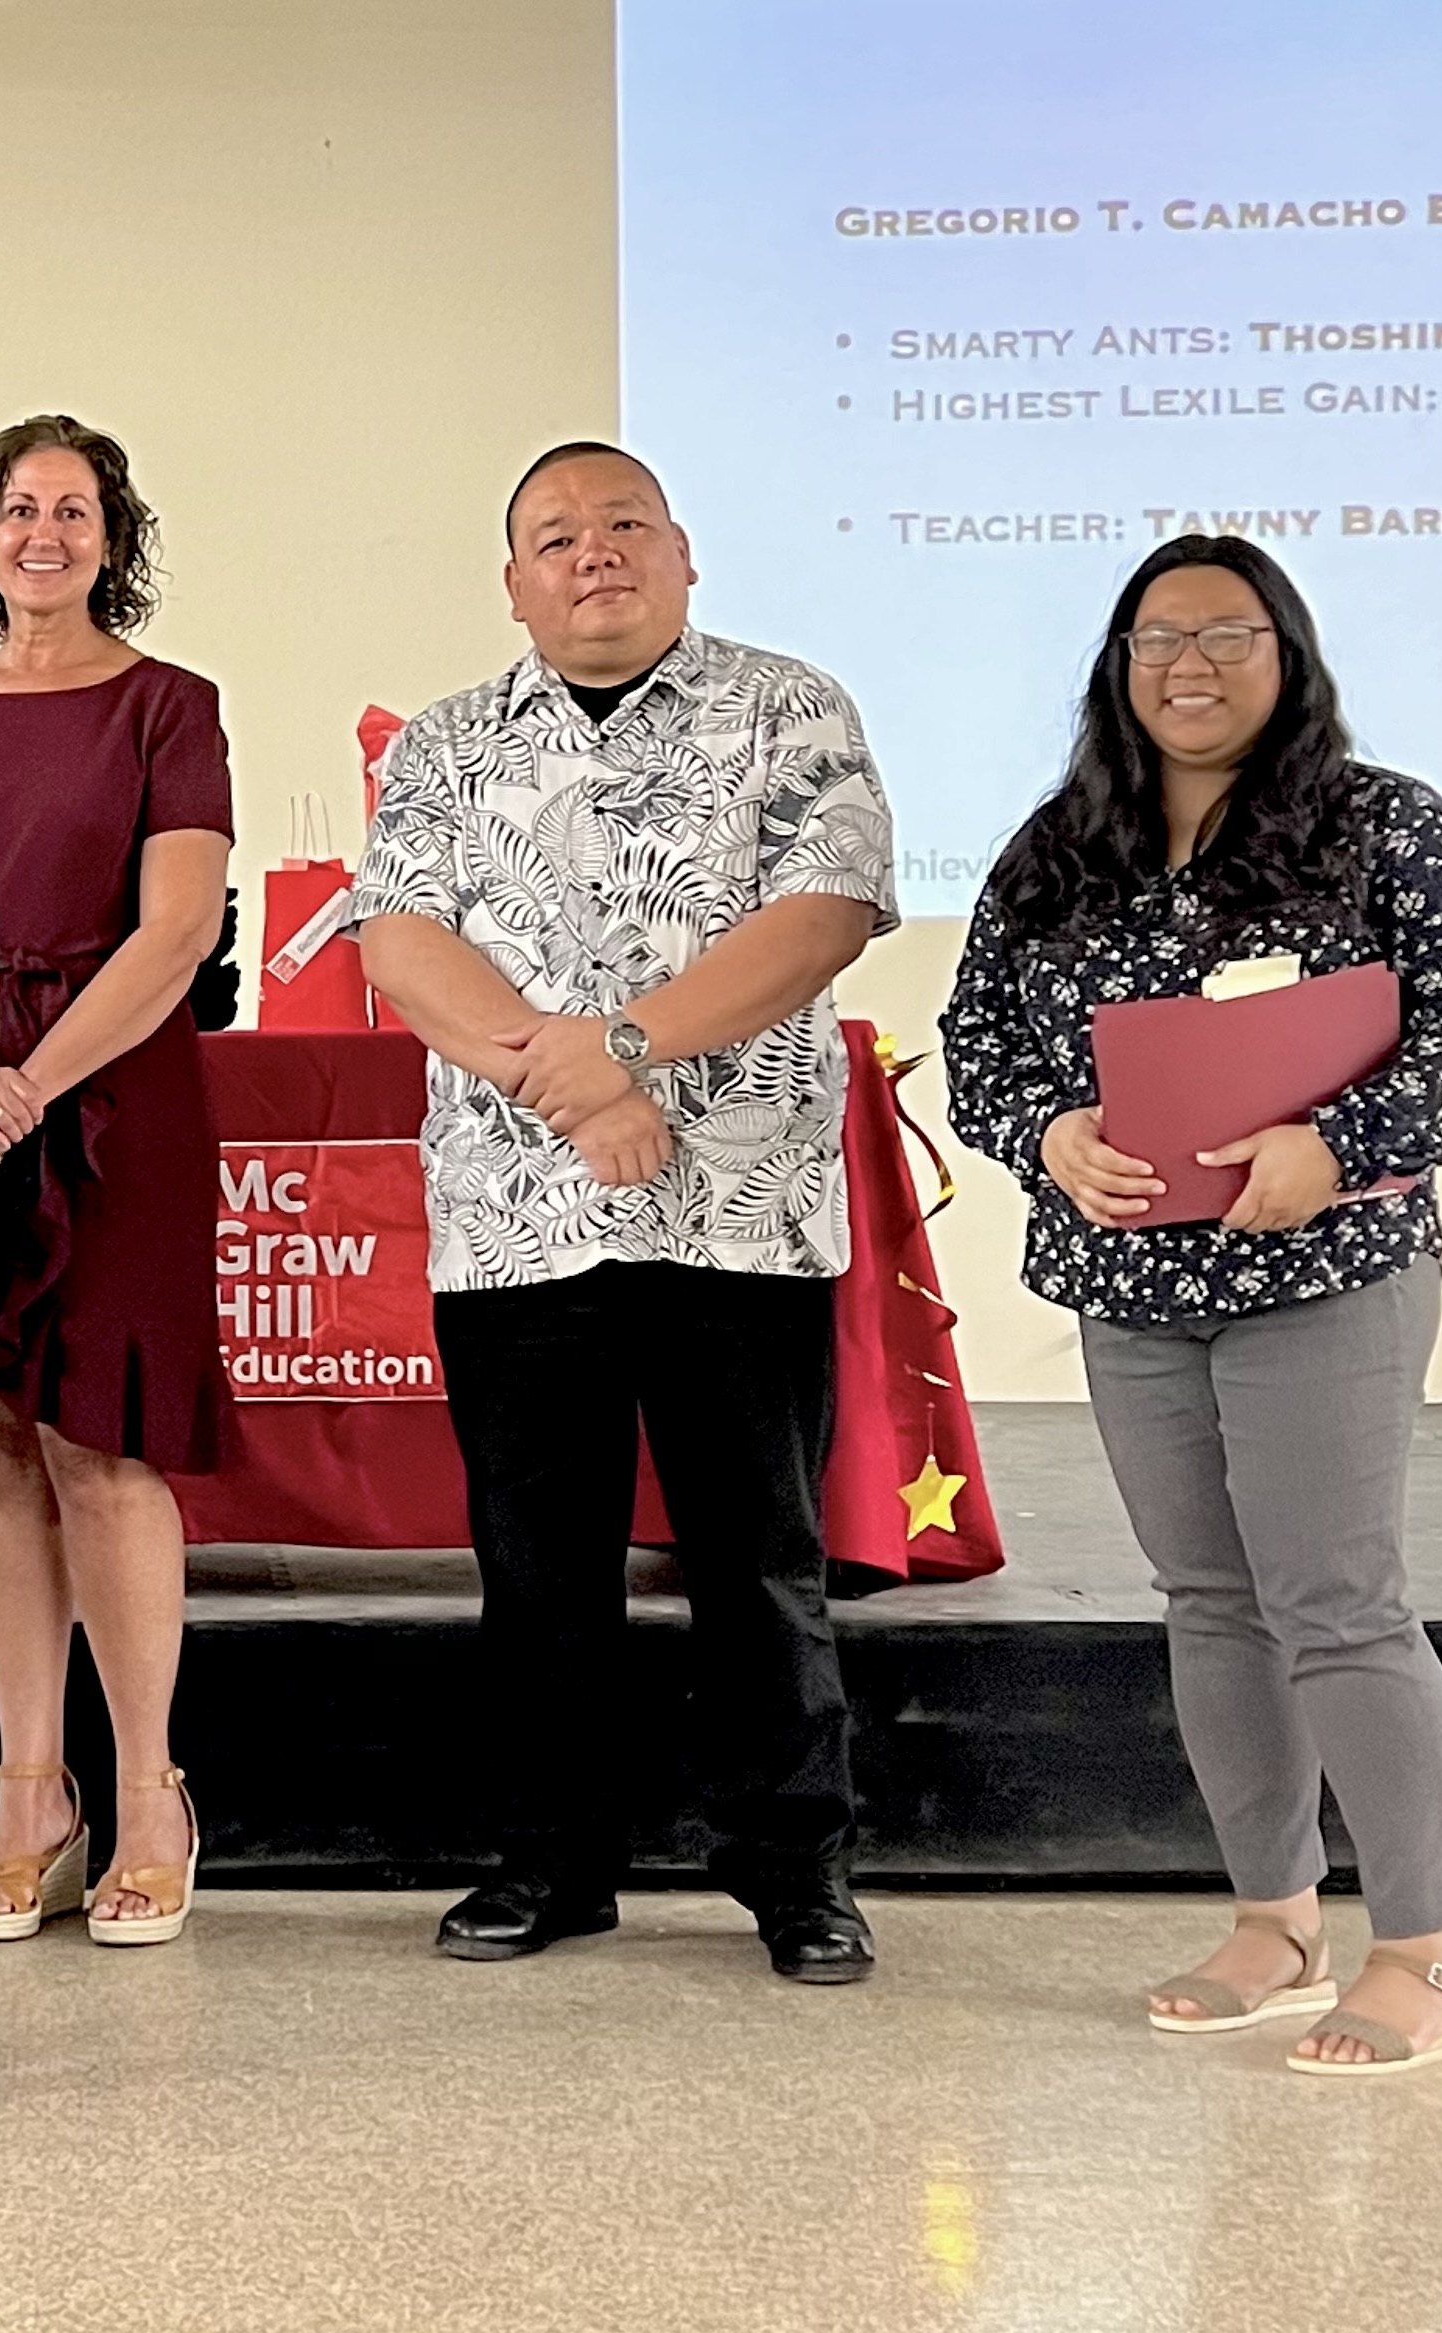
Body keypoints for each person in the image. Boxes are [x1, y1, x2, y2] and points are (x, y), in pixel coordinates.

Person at [945, 536, 1442, 2074]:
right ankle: (1274, 1920)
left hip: (1324, 1268)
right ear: (1115, 663)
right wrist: (1045, 1135)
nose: (1185, 665)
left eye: (1223, 633)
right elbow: (982, 1040)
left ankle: (1424, 1953)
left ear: (1286, 652)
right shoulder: (1059, 844)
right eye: (1154, 638)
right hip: (1134, 1279)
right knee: (1208, 1606)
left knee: (1336, 1604)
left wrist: (1335, 1146)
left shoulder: (1380, 826)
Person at [356, 440, 895, 1986]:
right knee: (537, 1570)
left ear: (681, 553)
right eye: (553, 537)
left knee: (757, 1564)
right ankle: (549, 1862)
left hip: (740, 1212)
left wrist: (630, 1048)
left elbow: (823, 917)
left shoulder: (789, 708)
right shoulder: (448, 744)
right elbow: (398, 938)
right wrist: (575, 1087)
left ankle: (795, 1873)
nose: (592, 553)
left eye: (621, 526)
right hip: (518, 1220)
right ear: (512, 583)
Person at [0, 415, 232, 1948]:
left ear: (112, 536)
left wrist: (30, 1078)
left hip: (110, 1095)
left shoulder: (170, 706)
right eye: (18, 508)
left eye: (73, 509)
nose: (45, 532)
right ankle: (33, 1792)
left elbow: (174, 933)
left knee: (102, 1443)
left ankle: (149, 1790)